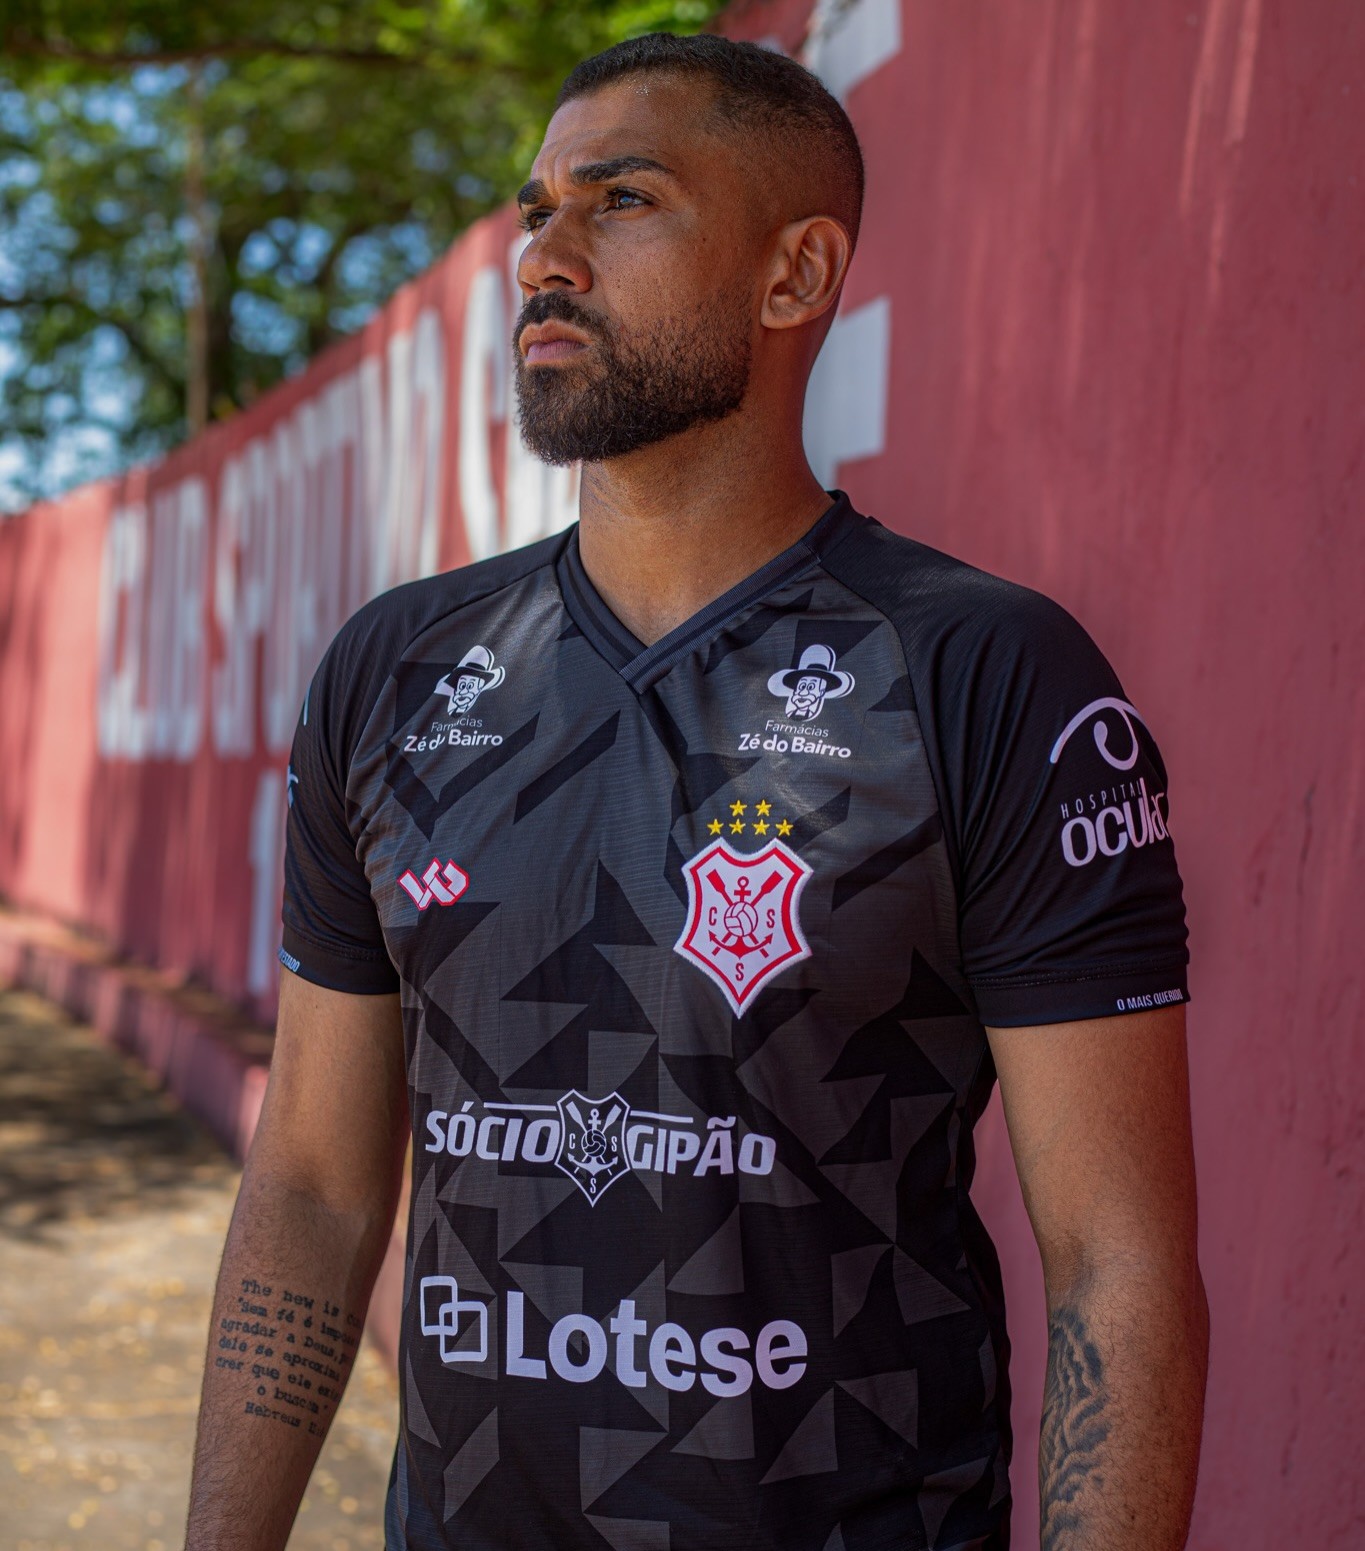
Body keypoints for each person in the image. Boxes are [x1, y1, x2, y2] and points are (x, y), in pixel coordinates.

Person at [186, 32, 1208, 1551]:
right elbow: (316, 1191)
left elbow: (1115, 1261)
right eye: (538, 210)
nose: (547, 257)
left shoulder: (986, 674)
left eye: (624, 201)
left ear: (795, 275)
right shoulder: (396, 672)